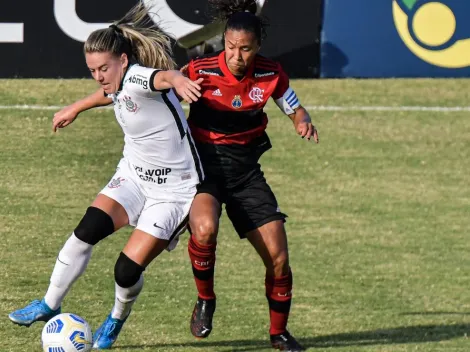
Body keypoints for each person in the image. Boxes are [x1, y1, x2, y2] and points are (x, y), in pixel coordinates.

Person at [8, 2, 204, 349]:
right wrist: (75, 108)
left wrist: (179, 79)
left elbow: (163, 78)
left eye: (103, 68)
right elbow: (109, 93)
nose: (99, 76)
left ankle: (115, 319)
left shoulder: (142, 77)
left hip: (174, 191)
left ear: (124, 61)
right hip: (133, 176)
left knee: (125, 271)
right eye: (92, 70)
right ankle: (48, 305)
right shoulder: (117, 83)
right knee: (84, 232)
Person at [183, 0, 319, 351]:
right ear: (223, 42)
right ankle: (205, 299)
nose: (236, 56)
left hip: (245, 175)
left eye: (245, 49)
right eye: (231, 47)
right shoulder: (201, 69)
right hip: (205, 172)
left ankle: (279, 334)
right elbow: (159, 89)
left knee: (278, 257)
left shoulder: (271, 74)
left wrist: (302, 120)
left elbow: (293, 106)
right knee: (205, 229)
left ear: (257, 47)